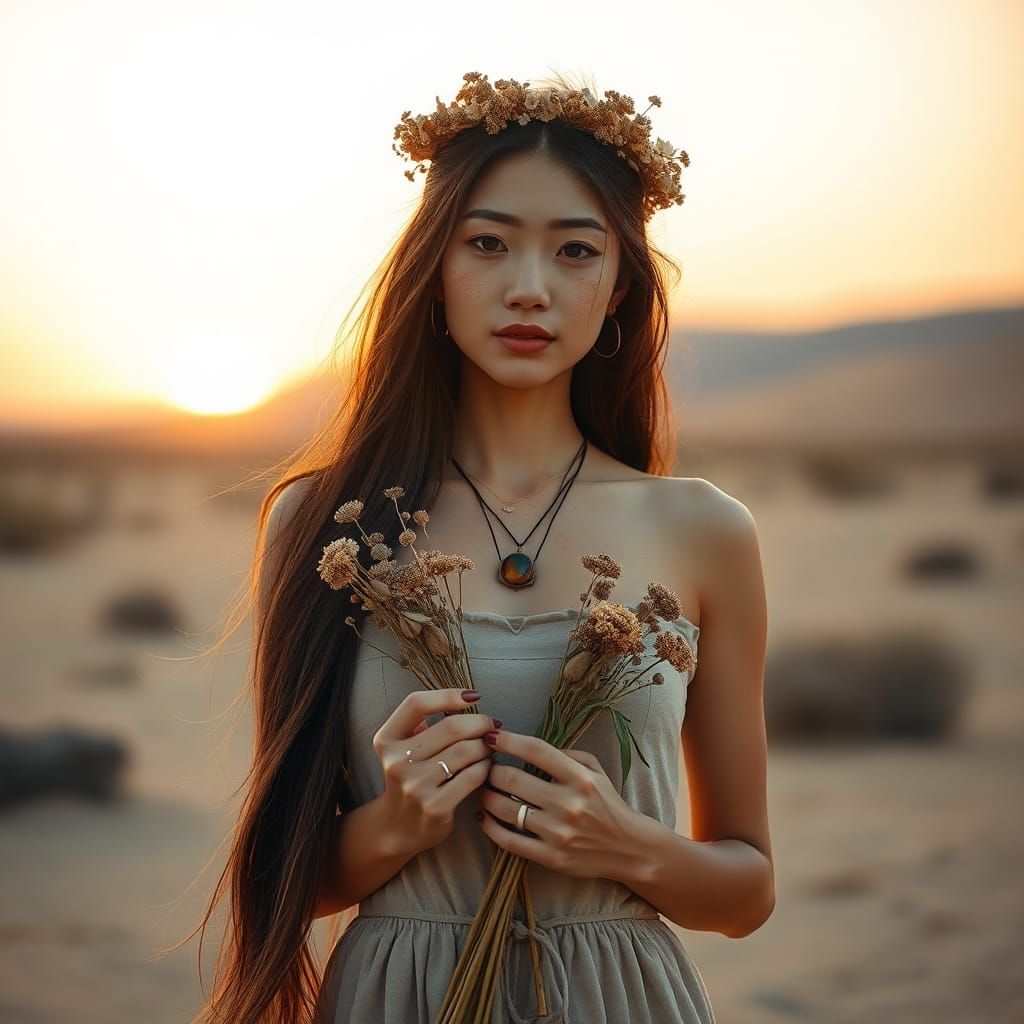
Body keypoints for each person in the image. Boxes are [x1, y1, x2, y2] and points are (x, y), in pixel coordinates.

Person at [186, 70, 773, 1024]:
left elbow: (747, 888)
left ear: (619, 287)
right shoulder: (328, 524)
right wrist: (396, 825)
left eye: (576, 251)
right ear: (436, 270)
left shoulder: (704, 529)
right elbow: (288, 872)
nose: (529, 288)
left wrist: (628, 847)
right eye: (488, 243)